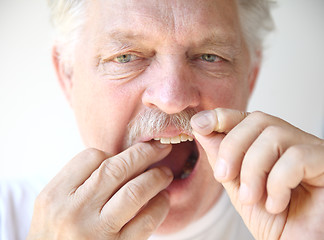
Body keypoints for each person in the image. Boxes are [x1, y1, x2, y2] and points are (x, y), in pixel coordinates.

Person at [1, 0, 324, 239]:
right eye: (125, 56)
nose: (172, 99)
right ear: (68, 76)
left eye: (210, 57)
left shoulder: (304, 218)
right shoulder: (7, 218)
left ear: (250, 77)